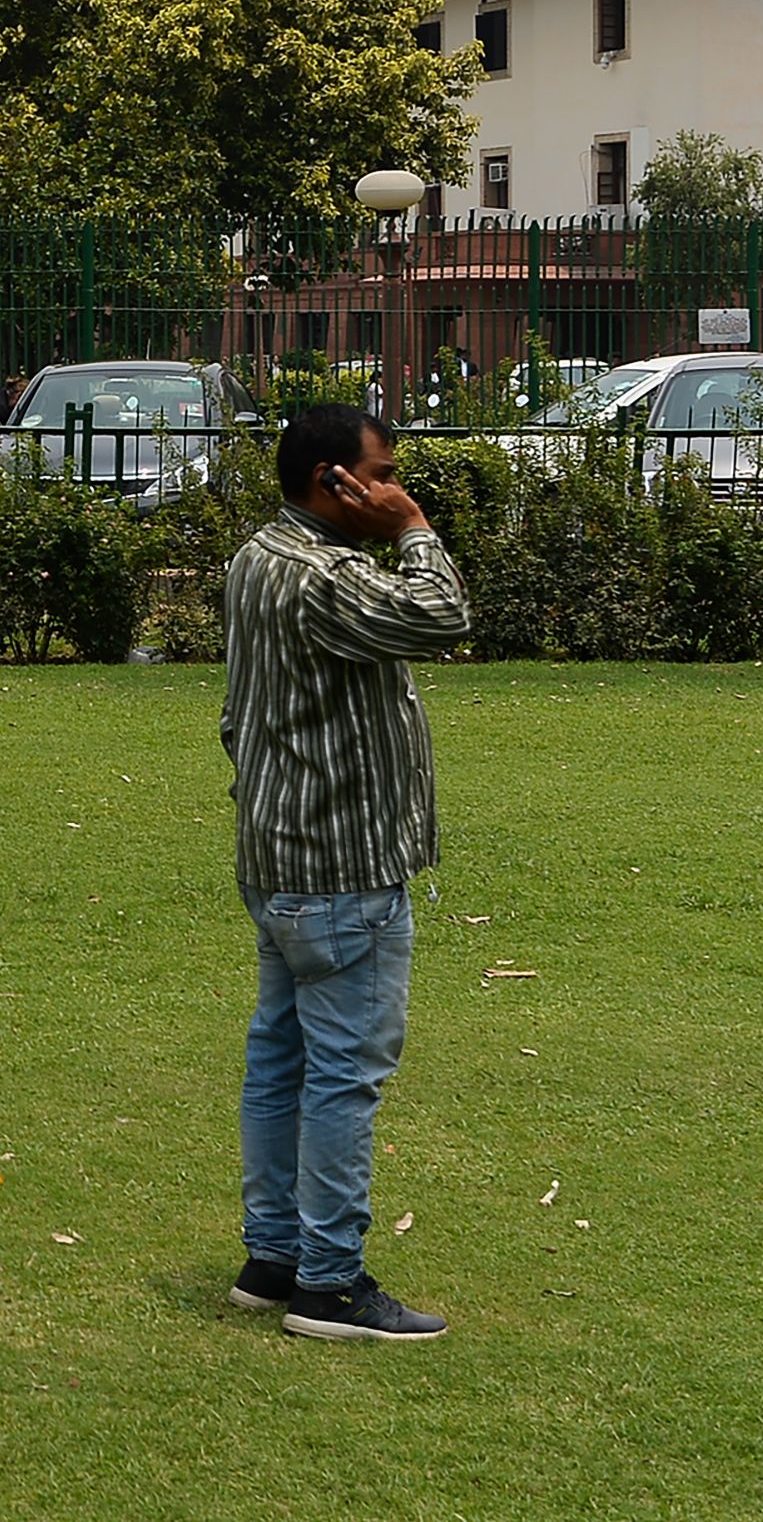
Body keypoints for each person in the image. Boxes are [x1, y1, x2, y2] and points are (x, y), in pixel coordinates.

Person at [218, 402, 471, 1342]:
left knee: (280, 1058)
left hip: (278, 852)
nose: (397, 484)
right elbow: (443, 614)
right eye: (384, 470)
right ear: (337, 481)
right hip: (342, 868)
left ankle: (273, 1256)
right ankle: (329, 1283)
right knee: (341, 1075)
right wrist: (411, 528)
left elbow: (241, 708)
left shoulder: (257, 559)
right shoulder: (324, 577)